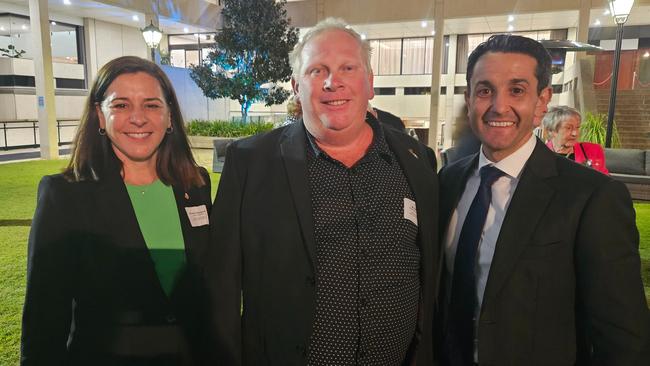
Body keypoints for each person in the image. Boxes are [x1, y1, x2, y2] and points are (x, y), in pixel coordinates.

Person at [206, 18, 439, 366]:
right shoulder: (250, 162)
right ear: (296, 86)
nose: (334, 82)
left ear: (370, 82)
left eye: (348, 67)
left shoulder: (416, 159)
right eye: (318, 70)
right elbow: (221, 287)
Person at [439, 34, 649, 365]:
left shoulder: (592, 197)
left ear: (542, 102)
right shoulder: (448, 180)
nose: (498, 106)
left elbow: (622, 334)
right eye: (484, 90)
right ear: (468, 99)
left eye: (517, 90)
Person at [21, 56, 213, 365]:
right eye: (121, 105)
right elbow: (44, 320)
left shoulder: (196, 184)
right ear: (100, 115)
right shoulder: (66, 195)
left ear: (170, 117)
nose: (138, 118)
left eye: (151, 105)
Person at [542, 105, 609, 174]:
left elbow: (605, 182)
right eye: (568, 128)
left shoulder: (593, 151)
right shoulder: (540, 155)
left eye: (577, 127)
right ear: (551, 131)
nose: (575, 133)